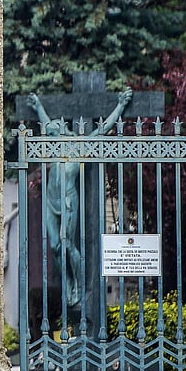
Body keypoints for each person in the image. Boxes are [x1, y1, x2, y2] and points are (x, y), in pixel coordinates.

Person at [26, 87, 131, 308]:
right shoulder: (55, 146)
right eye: (52, 133)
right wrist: (38, 107)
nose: (53, 134)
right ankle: (68, 282)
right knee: (55, 246)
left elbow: (102, 130)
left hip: (68, 201)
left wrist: (120, 106)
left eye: (56, 131)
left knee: (66, 244)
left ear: (64, 130)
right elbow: (46, 123)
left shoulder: (78, 147)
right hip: (50, 201)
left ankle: (78, 286)